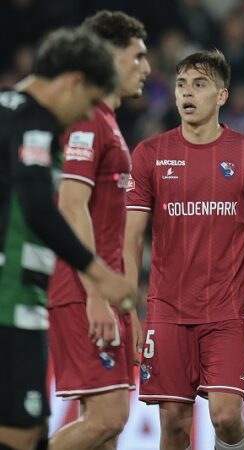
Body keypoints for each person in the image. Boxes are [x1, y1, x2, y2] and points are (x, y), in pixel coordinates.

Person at [124, 49, 244, 450]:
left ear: (222, 96)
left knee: (226, 416)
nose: (187, 93)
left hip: (227, 313)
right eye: (181, 85)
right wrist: (128, 311)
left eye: (199, 84)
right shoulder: (149, 154)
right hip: (168, 311)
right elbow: (131, 239)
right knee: (174, 423)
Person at [0, 28, 137, 450]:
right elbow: (44, 207)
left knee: (33, 432)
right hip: (12, 301)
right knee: (24, 435)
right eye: (84, 103)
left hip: (24, 298)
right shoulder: (33, 121)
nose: (82, 117)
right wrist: (99, 276)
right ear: (72, 81)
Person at [47, 11, 150, 450]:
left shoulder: (108, 122)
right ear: (109, 56)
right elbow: (71, 204)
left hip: (103, 290)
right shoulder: (87, 120)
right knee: (109, 417)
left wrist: (126, 305)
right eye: (137, 56)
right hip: (82, 288)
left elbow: (113, 227)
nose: (146, 67)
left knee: (104, 433)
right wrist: (94, 295)